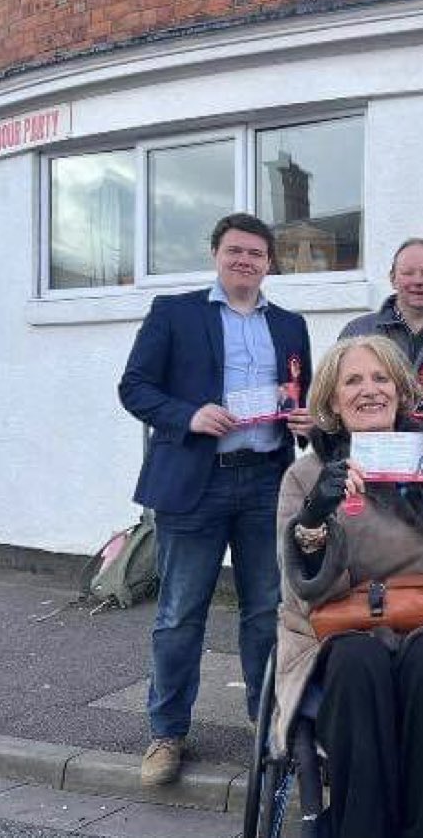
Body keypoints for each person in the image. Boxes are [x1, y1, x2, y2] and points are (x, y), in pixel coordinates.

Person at [273, 335, 423, 838]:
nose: (369, 391)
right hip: (338, 626)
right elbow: (303, 592)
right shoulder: (307, 473)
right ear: (332, 402)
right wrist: (315, 519)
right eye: (352, 381)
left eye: (381, 378)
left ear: (402, 392)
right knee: (359, 662)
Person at [118, 212, 314, 786]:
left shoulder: (290, 324)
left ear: (269, 262)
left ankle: (266, 721)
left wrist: (305, 422)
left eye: (256, 254)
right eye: (235, 251)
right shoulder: (174, 314)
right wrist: (188, 414)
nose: (245, 261)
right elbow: (134, 387)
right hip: (195, 481)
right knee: (181, 614)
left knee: (264, 611)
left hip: (264, 481)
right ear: (215, 254)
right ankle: (167, 733)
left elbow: (298, 395)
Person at [338, 238, 423, 438]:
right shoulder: (357, 332)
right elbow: (337, 397)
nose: (418, 281)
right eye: (408, 273)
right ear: (392, 278)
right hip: (368, 457)